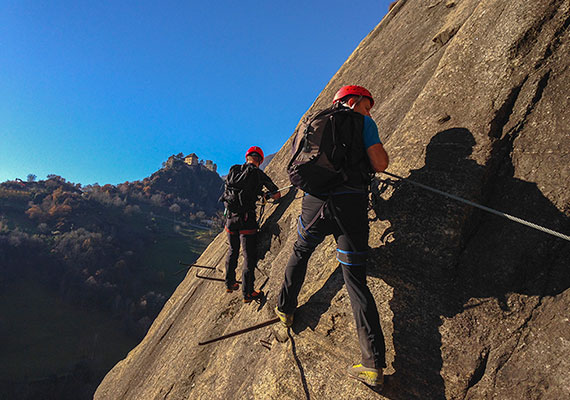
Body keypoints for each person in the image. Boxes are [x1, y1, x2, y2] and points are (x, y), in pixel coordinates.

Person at [275, 85, 389, 387]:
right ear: (355, 100)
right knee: (355, 279)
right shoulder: (363, 123)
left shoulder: (315, 123)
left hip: (315, 200)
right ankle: (372, 364)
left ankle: (285, 310)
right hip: (350, 202)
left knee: (301, 251)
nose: (369, 111)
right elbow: (380, 163)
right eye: (367, 105)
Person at [221, 146, 281, 303]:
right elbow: (277, 194)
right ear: (260, 160)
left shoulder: (234, 170)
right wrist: (266, 194)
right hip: (247, 220)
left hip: (230, 219)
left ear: (247, 157)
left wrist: (258, 193)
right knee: (249, 256)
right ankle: (248, 293)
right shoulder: (258, 174)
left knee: (232, 249)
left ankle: (229, 282)